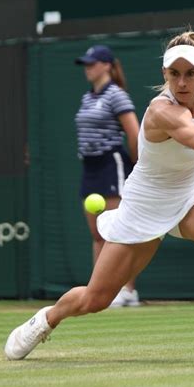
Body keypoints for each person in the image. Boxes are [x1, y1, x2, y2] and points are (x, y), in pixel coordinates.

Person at [5, 31, 194, 363]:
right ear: (165, 73)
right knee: (96, 299)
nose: (182, 82)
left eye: (190, 73)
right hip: (145, 206)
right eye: (174, 74)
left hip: (192, 193)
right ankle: (47, 319)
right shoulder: (160, 111)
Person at [75, 45, 140, 307]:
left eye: (92, 63)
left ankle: (128, 290)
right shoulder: (87, 98)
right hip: (90, 168)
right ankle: (99, 290)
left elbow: (134, 133)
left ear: (107, 66)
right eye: (86, 64)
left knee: (118, 232)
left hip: (112, 164)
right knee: (98, 234)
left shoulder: (116, 95)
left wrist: (137, 165)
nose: (88, 68)